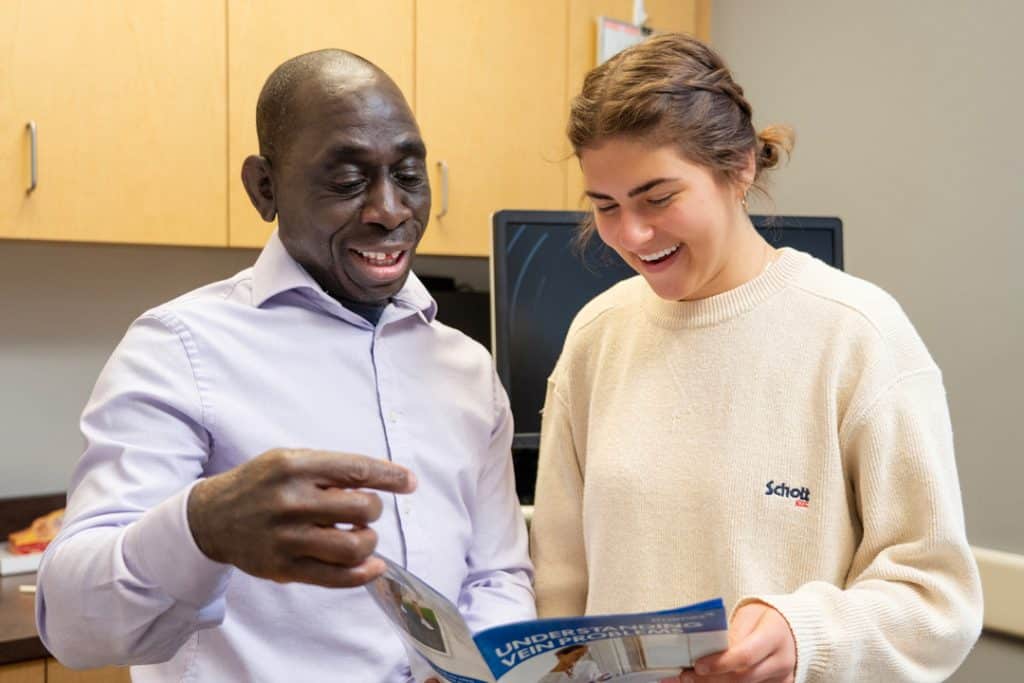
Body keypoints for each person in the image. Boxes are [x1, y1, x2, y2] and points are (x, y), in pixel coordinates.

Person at [36, 49, 534, 682]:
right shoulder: (179, 348)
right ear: (264, 188)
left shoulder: (465, 365)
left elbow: (496, 573)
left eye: (408, 174)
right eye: (349, 181)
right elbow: (75, 625)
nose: (390, 209)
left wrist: (481, 669)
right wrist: (200, 530)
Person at [529, 33, 982, 683]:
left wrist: (804, 635)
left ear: (739, 167)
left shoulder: (858, 336)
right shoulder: (597, 337)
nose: (631, 234)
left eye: (658, 198)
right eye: (606, 207)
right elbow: (560, 589)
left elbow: (939, 601)